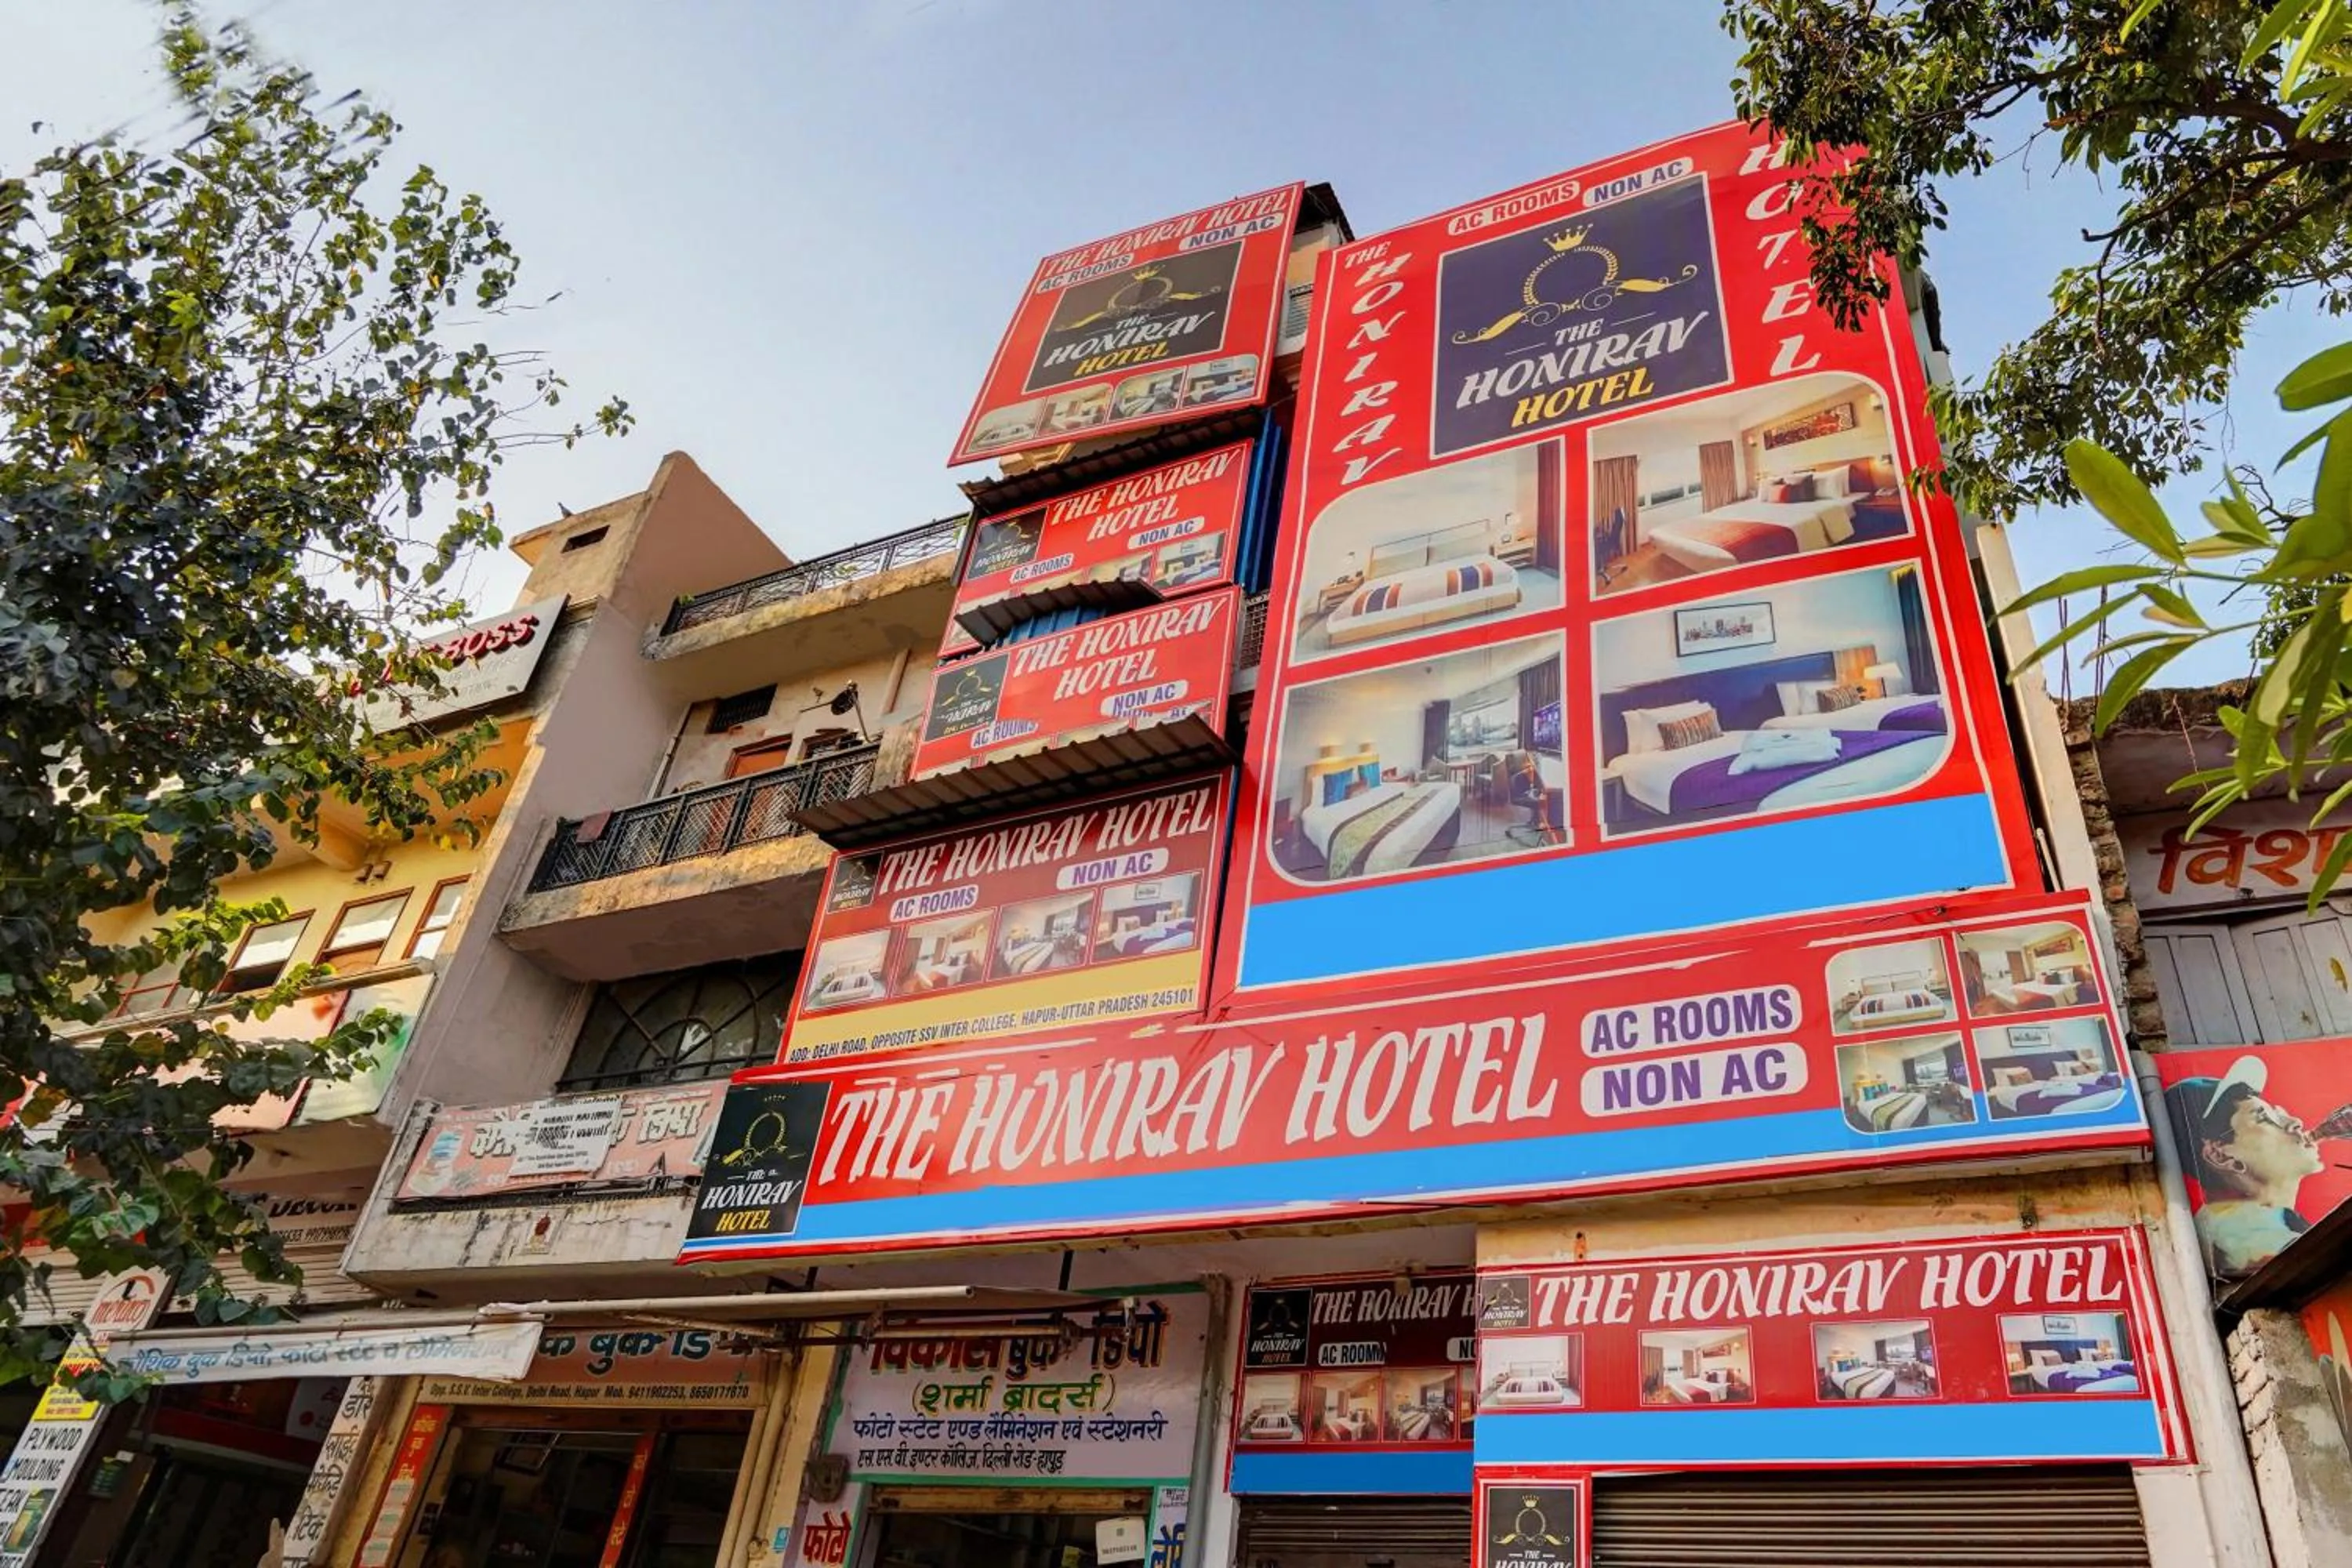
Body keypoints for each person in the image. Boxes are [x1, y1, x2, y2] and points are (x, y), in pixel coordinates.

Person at [2165, 1055, 2332, 1278]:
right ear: (2220, 1156)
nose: (2295, 1123)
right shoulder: (2250, 1242)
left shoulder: (2273, 1223)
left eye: (2278, 1115)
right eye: (2264, 1118)